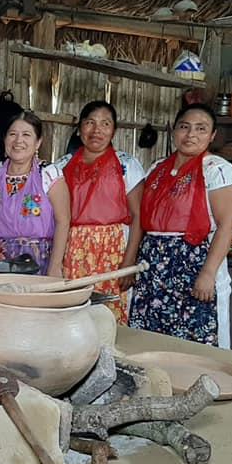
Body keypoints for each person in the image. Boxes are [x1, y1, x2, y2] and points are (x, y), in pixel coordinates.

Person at [127, 103, 232, 347]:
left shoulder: (218, 170)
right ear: (173, 131)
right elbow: (143, 219)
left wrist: (208, 274)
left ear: (212, 136)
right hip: (154, 266)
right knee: (151, 340)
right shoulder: (157, 168)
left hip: (194, 266)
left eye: (201, 129)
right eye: (184, 127)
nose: (191, 135)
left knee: (195, 342)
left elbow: (227, 225)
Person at [56, 101, 145, 323]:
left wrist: (129, 263)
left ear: (113, 130)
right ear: (79, 129)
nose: (97, 130)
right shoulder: (62, 166)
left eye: (105, 124)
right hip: (72, 249)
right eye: (90, 123)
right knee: (72, 314)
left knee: (109, 316)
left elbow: (138, 217)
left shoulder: (127, 165)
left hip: (113, 250)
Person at [0, 110, 70, 276]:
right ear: (5, 139)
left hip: (38, 263)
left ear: (38, 143)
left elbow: (63, 220)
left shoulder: (49, 173)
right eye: (12, 134)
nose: (18, 140)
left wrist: (55, 266)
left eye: (26, 135)